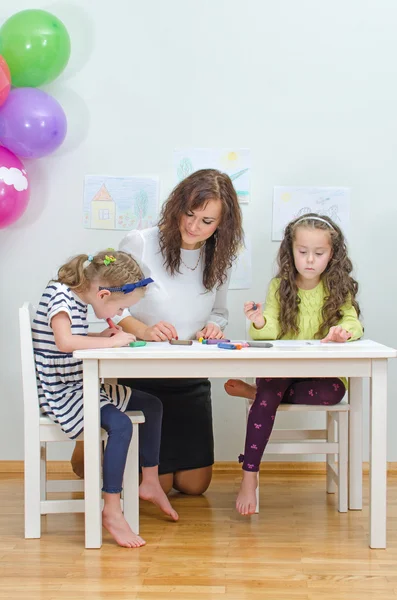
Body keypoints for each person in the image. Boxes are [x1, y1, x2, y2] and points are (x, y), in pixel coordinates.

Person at [72, 169, 244, 495]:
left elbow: (220, 312)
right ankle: (91, 450)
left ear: (222, 223)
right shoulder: (141, 242)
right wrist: (144, 330)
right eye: (189, 214)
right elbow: (110, 303)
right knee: (160, 484)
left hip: (189, 375)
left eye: (207, 221)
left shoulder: (220, 257)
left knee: (195, 487)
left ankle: (111, 455)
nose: (193, 226)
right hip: (141, 373)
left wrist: (214, 327)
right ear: (178, 206)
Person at [33, 250, 178, 548]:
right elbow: (64, 342)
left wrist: (102, 338)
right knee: (121, 426)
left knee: (152, 405)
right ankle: (111, 509)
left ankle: (149, 482)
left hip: (78, 384)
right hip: (62, 391)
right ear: (102, 295)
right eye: (120, 309)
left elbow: (73, 339)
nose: (118, 317)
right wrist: (111, 339)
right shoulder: (60, 296)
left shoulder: (78, 298)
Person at [225, 213, 363, 515]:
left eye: (319, 253)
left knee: (333, 393)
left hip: (322, 374)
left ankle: (254, 393)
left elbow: (353, 322)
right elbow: (271, 329)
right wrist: (259, 321)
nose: (310, 260)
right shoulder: (279, 287)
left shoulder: (339, 288)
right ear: (291, 252)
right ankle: (249, 476)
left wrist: (343, 332)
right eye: (303, 252)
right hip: (283, 370)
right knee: (269, 393)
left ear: (333, 254)